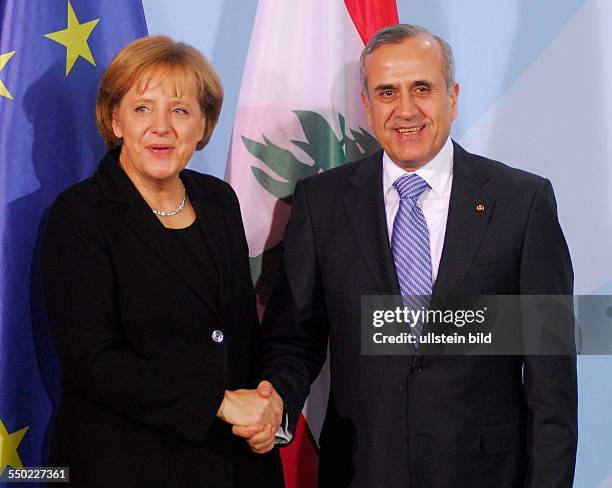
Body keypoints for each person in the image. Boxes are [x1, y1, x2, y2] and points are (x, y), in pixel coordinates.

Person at [252, 24, 577, 487]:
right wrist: (274, 401)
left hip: (486, 474)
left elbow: (552, 378)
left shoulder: (522, 202)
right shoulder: (320, 204)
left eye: (422, 88)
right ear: (366, 104)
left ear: (453, 96)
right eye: (387, 92)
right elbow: (293, 339)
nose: (405, 110)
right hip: (361, 472)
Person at [42, 36, 283, 487]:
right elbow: (90, 360)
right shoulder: (81, 214)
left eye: (180, 110)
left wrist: (266, 405)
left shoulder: (218, 200)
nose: (162, 127)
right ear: (115, 120)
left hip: (233, 462)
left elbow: (238, 331)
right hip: (126, 465)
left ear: (203, 124)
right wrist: (219, 402)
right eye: (142, 109)